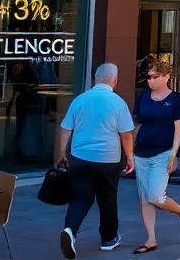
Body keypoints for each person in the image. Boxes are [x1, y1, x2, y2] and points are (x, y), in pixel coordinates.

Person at [56, 63, 135, 259]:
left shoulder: (80, 100)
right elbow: (126, 134)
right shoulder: (118, 102)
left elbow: (65, 128)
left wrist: (61, 153)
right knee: (107, 198)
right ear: (114, 80)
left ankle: (70, 230)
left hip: (81, 156)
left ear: (95, 79)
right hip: (108, 158)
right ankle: (108, 239)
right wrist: (130, 157)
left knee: (80, 197)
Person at [131, 59, 180, 255]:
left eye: (155, 77)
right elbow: (136, 125)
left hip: (163, 152)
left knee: (155, 195)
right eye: (148, 77)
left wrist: (173, 154)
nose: (151, 81)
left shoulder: (174, 100)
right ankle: (150, 239)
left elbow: (179, 129)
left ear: (166, 77)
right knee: (145, 199)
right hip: (141, 152)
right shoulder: (143, 98)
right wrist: (130, 152)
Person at [7, 59, 43, 160]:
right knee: (26, 127)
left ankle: (23, 150)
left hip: (27, 103)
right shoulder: (30, 73)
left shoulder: (28, 74)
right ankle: (24, 150)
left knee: (24, 127)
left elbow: (17, 85)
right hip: (27, 103)